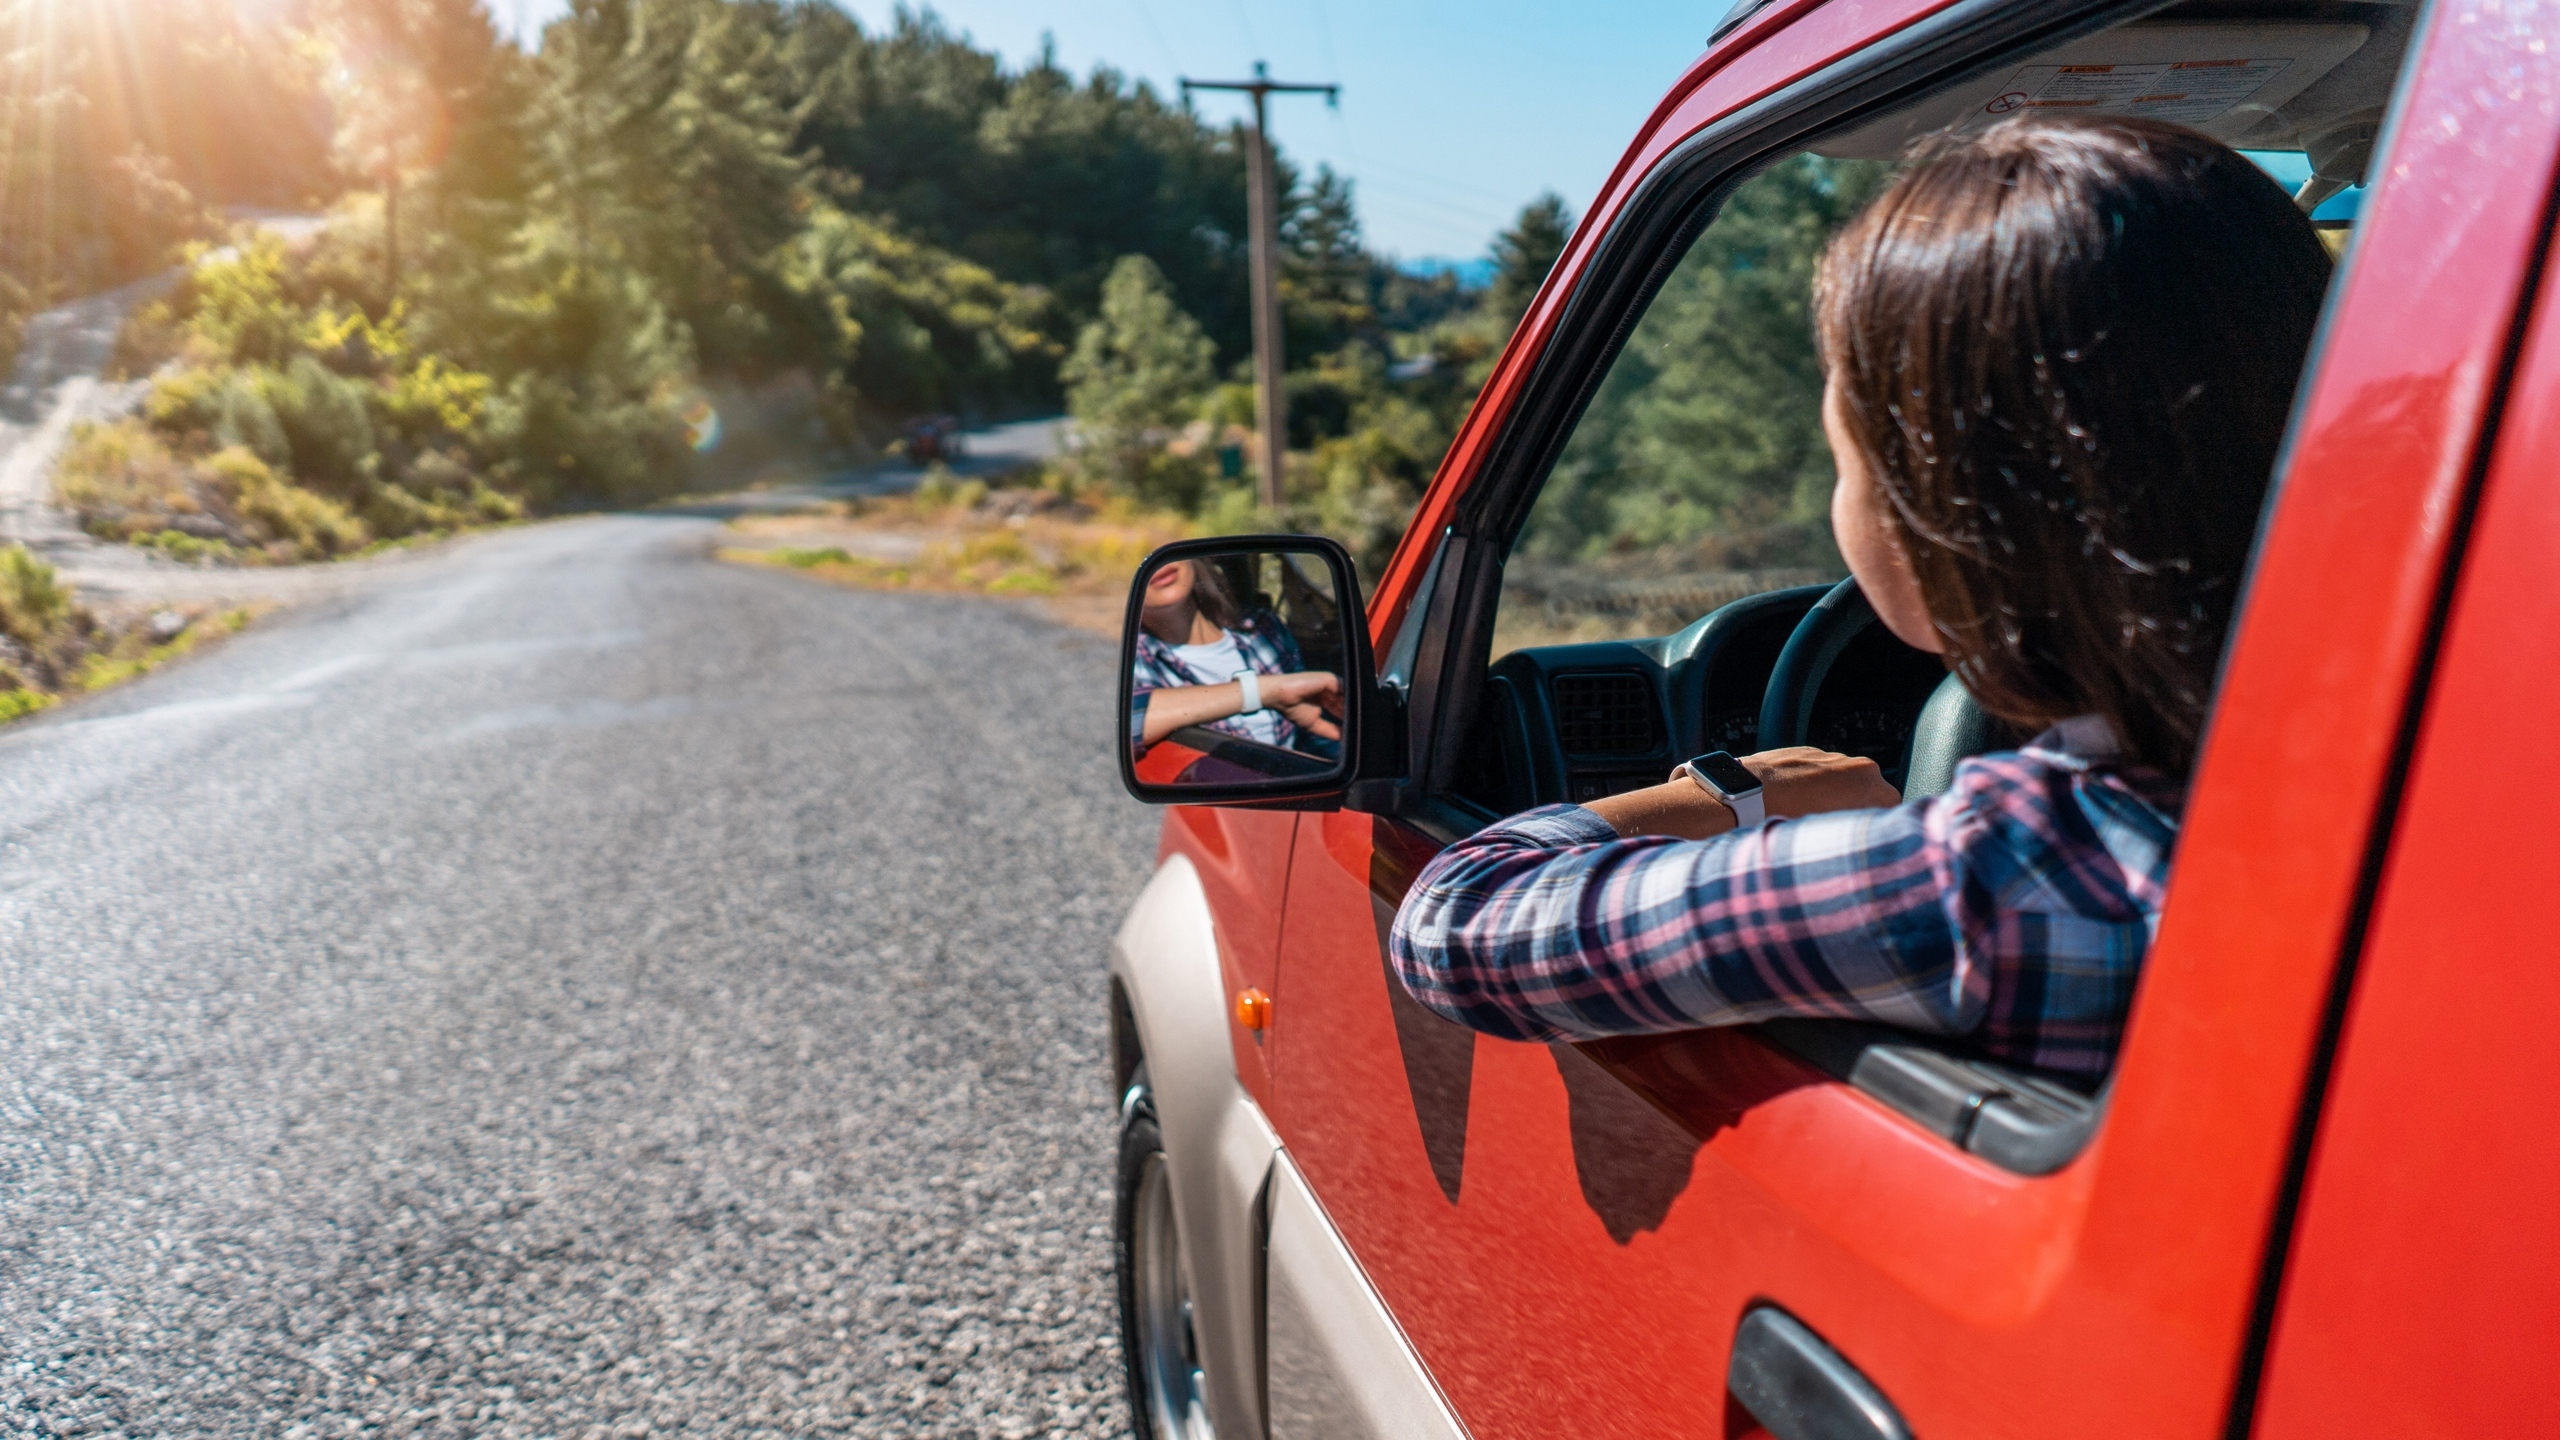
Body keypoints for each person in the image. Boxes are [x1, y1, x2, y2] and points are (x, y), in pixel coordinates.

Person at [1389, 116, 2334, 1083]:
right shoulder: (2441, 780)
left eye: (1846, 461)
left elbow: (1455, 923)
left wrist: (1732, 794)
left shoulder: (1987, 884)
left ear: (1947, 521)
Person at [1129, 558, 1343, 757]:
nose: (1156, 562)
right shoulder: (1136, 660)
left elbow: (1310, 730)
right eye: (1134, 554)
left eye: (1161, 547)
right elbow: (1128, 724)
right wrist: (1265, 691)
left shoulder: (1263, 629)